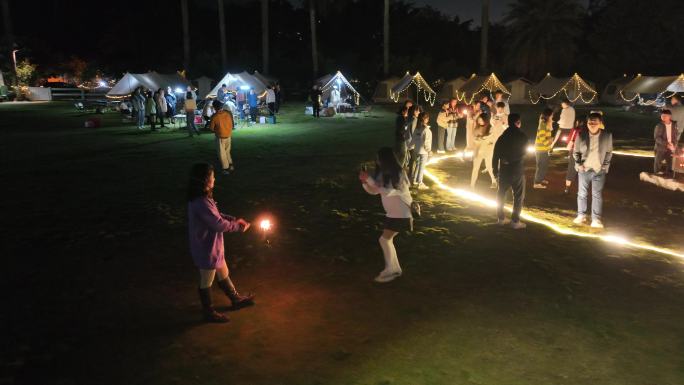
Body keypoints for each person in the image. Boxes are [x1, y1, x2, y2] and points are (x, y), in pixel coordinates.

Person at [187, 163, 254, 323]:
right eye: (212, 176)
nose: (214, 178)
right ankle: (208, 312)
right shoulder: (200, 202)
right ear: (205, 180)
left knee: (223, 270)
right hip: (206, 248)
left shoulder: (203, 199)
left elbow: (216, 215)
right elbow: (217, 224)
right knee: (206, 279)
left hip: (213, 245)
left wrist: (233, 219)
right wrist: (237, 226)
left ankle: (235, 298)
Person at [359, 147, 413, 283]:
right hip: (393, 214)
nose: (377, 161)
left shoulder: (399, 173)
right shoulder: (382, 173)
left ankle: (392, 269)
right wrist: (365, 182)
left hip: (402, 213)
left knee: (384, 240)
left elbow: (389, 191)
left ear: (386, 159)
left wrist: (370, 180)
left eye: (379, 158)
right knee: (386, 240)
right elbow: (375, 191)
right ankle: (394, 268)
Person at [573, 112, 613, 229]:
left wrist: (605, 166)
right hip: (584, 170)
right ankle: (581, 215)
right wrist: (579, 164)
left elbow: (609, 152)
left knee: (597, 195)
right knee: (582, 194)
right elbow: (576, 152)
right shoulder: (581, 135)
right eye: (590, 122)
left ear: (600, 123)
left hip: (599, 170)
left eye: (595, 122)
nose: (592, 124)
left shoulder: (607, 136)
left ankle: (596, 219)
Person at [493, 113, 528, 229]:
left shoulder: (502, 136)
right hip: (517, 170)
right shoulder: (522, 136)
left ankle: (501, 218)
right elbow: (523, 153)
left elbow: (495, 154)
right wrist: (511, 159)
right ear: (518, 122)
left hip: (503, 170)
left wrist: (495, 170)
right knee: (518, 196)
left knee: (501, 194)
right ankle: (515, 221)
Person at [470, 113, 497, 189]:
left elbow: (492, 139)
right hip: (477, 151)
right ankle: (472, 185)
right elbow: (474, 138)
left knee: (489, 166)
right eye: (479, 120)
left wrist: (485, 139)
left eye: (481, 120)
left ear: (485, 120)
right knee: (475, 168)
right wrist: (477, 140)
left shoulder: (490, 128)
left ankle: (494, 181)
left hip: (487, 150)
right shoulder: (476, 128)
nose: (479, 122)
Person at [563, 118, 586, 194]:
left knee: (571, 169)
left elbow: (569, 140)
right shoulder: (587, 131)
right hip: (584, 152)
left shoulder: (575, 130)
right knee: (582, 169)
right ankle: (581, 189)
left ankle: (567, 189)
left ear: (577, 122)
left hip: (574, 151)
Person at [410, 111, 432, 189]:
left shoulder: (417, 129)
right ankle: (420, 182)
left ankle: (414, 180)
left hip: (416, 150)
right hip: (423, 152)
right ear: (426, 119)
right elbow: (427, 142)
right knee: (421, 167)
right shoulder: (426, 130)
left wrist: (410, 147)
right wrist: (429, 151)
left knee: (417, 166)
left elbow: (413, 139)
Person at [653, 109, 679, 176]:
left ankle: (669, 173)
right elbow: (657, 138)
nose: (663, 117)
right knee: (658, 160)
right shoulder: (659, 125)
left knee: (670, 160)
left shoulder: (674, 125)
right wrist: (666, 144)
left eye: (665, 116)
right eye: (662, 116)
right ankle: (657, 172)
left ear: (669, 116)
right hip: (661, 146)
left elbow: (675, 136)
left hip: (671, 145)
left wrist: (673, 145)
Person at [533, 108, 555, 189]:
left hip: (544, 148)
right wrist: (549, 142)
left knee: (544, 166)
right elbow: (542, 138)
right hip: (540, 149)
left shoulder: (546, 123)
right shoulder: (542, 124)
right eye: (551, 115)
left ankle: (540, 179)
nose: (552, 116)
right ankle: (537, 182)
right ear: (548, 115)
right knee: (541, 166)